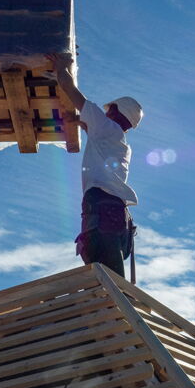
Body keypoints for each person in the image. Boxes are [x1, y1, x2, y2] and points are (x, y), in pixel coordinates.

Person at [49, 52, 143, 278]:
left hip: (102, 213)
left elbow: (70, 89)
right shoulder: (119, 142)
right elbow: (97, 135)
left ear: (112, 111)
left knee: (106, 284)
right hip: (113, 216)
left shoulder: (106, 127)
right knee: (107, 282)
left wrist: (62, 66)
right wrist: (81, 124)